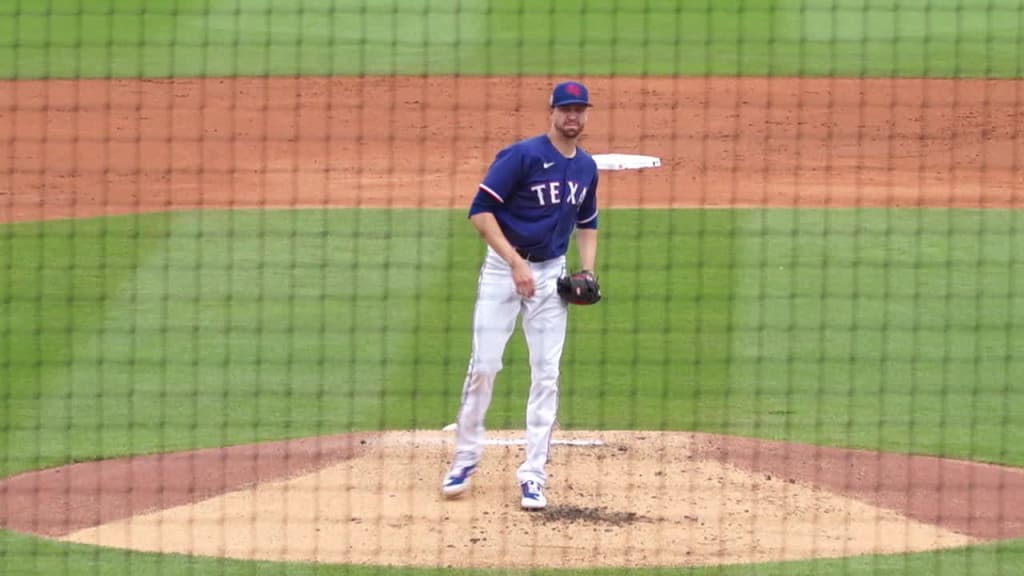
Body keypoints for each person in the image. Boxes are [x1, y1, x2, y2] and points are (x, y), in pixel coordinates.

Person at [440, 80, 600, 510]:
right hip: (504, 270)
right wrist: (514, 262)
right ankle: (466, 457)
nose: (573, 116)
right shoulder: (522, 156)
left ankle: (533, 474)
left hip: (550, 276)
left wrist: (586, 268)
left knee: (546, 375)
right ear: (551, 112)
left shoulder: (585, 167)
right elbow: (480, 210)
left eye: (579, 110)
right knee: (485, 365)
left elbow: (588, 221)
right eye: (566, 109)